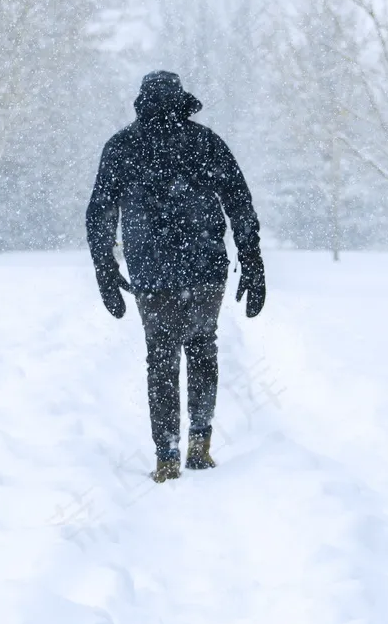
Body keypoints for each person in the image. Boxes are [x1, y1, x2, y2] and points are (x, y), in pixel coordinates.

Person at [86, 71, 265, 483]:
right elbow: (240, 202)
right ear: (182, 100)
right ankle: (199, 444)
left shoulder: (122, 146)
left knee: (161, 357)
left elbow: (100, 213)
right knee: (202, 348)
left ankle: (167, 456)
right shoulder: (205, 142)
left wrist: (105, 267)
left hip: (152, 272)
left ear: (141, 101)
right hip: (205, 268)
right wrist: (251, 259)